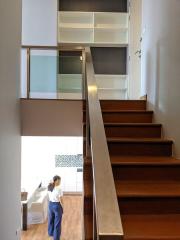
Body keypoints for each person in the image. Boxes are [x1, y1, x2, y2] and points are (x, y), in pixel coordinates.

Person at [48, 175, 63, 240]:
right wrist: (62, 207)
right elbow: (61, 200)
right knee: (57, 222)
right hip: (57, 206)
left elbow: (50, 182)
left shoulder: (49, 187)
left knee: (51, 220)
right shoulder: (59, 189)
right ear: (56, 180)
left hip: (50, 205)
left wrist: (52, 181)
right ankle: (56, 238)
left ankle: (51, 233)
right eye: (59, 180)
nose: (60, 182)